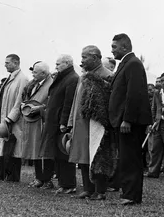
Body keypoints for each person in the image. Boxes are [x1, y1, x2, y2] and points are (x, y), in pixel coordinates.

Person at [109, 33, 152, 205]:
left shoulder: (133, 64)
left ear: (124, 47)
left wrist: (127, 119)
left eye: (114, 47)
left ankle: (131, 195)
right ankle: (128, 192)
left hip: (129, 122)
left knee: (130, 157)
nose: (112, 51)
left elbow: (134, 94)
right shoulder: (127, 64)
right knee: (126, 157)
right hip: (124, 119)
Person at [69, 46, 116, 200]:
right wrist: (71, 121)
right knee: (83, 155)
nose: (81, 61)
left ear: (95, 57)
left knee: (98, 154)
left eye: (84, 57)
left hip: (97, 124)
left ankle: (100, 190)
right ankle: (88, 188)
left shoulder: (108, 76)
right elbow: (76, 101)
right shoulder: (83, 76)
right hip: (81, 122)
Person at [39, 54, 79, 194]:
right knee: (57, 154)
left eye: (58, 64)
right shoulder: (63, 77)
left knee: (64, 154)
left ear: (67, 63)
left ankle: (69, 184)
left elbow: (68, 103)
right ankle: (63, 183)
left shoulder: (72, 78)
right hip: (54, 121)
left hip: (60, 123)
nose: (55, 67)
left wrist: (64, 122)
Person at [0, 54, 29, 182]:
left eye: (8, 63)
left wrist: (10, 118)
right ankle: (0, 174)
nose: (5, 65)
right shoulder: (10, 78)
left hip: (12, 121)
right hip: (5, 118)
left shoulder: (22, 79)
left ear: (16, 63)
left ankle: (12, 176)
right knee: (5, 147)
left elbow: (20, 101)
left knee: (13, 148)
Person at [21, 61, 54, 189]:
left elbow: (52, 103)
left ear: (44, 73)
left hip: (43, 122)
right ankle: (39, 177)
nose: (33, 74)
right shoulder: (35, 85)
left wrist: (40, 108)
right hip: (34, 122)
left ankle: (47, 179)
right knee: (35, 150)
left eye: (35, 72)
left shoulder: (51, 84)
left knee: (44, 151)